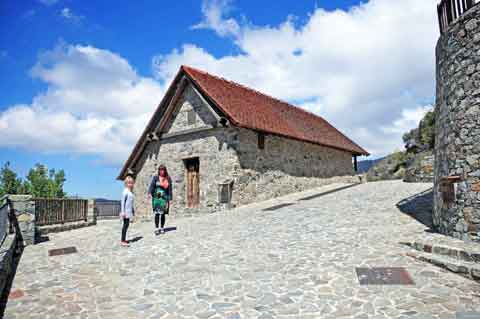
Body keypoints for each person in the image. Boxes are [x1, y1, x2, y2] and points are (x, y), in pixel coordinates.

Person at [148, 165, 173, 234]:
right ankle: (156, 228)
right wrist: (149, 193)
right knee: (157, 213)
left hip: (164, 198)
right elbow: (152, 186)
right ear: (159, 170)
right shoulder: (155, 178)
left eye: (163, 170)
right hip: (156, 198)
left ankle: (162, 228)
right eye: (160, 170)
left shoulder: (168, 178)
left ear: (165, 170)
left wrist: (170, 197)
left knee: (163, 214)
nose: (162, 171)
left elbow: (170, 189)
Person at [120, 175, 135, 246]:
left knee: (127, 225)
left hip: (129, 211)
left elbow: (131, 203)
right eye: (129, 183)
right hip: (125, 212)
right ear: (126, 183)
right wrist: (123, 212)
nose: (130, 184)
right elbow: (122, 202)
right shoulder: (125, 191)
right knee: (125, 225)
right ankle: (122, 240)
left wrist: (132, 211)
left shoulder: (130, 192)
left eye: (131, 183)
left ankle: (124, 239)